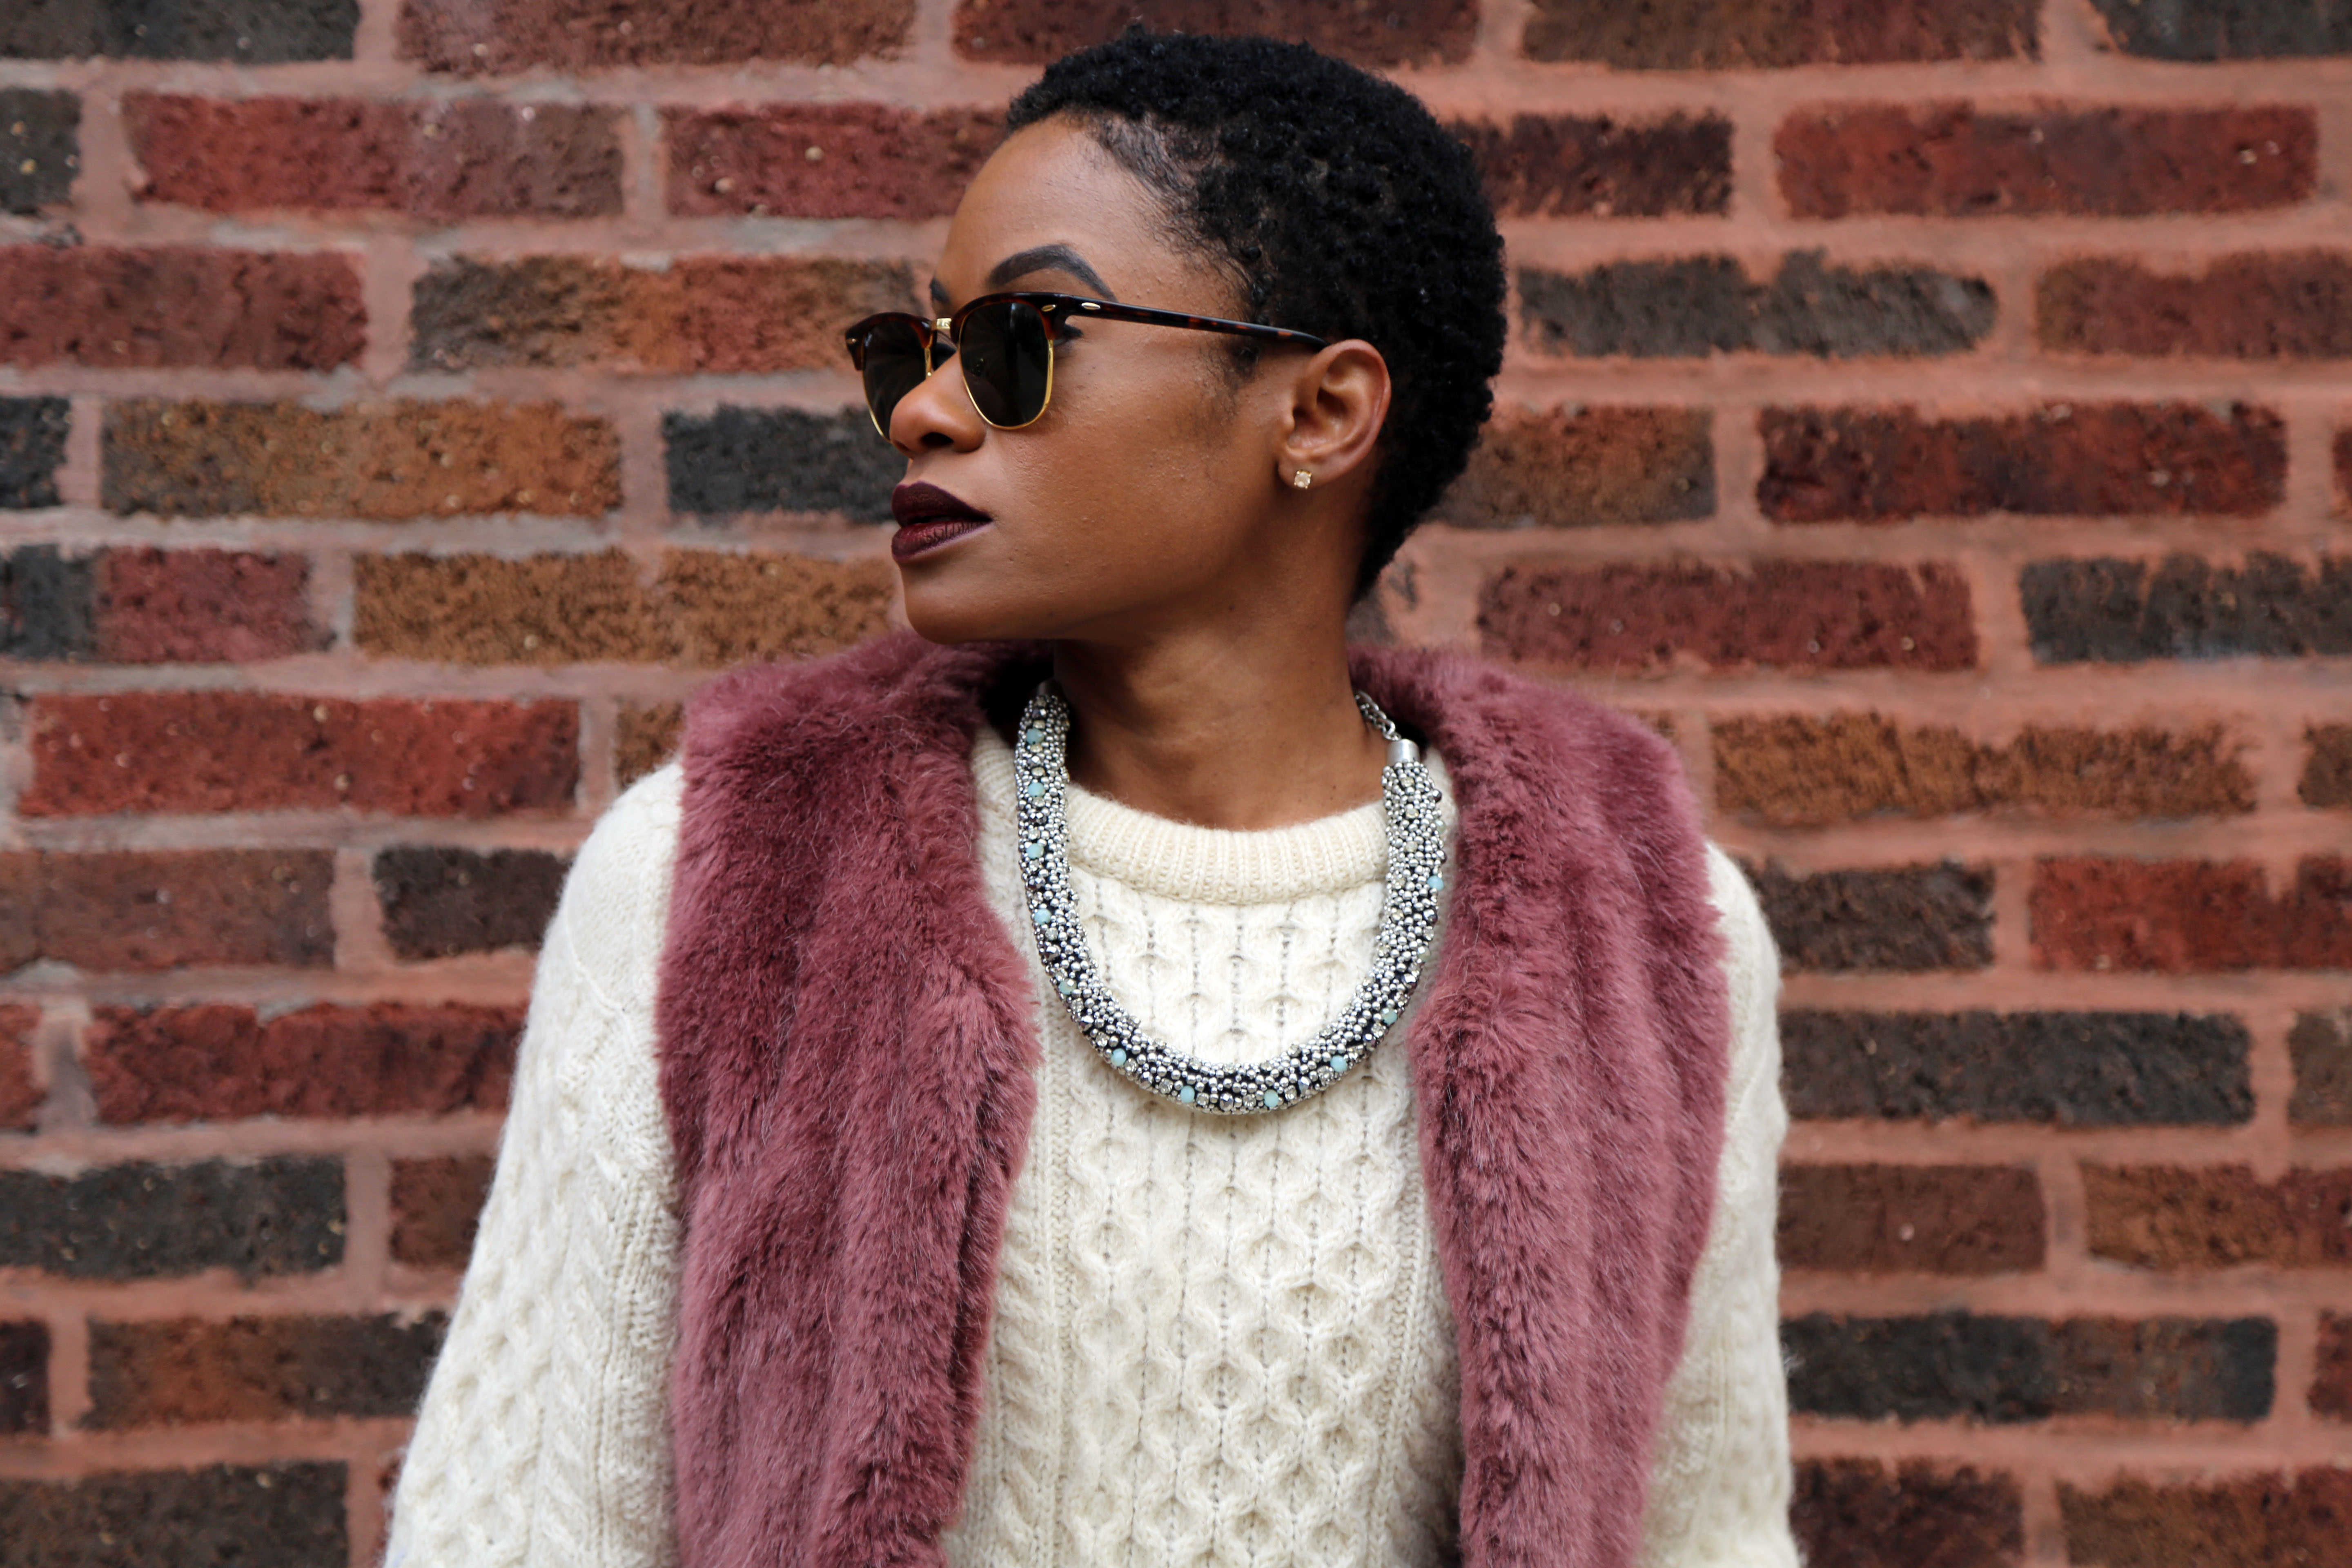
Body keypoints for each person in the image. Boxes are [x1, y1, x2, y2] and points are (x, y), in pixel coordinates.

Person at [385, 28, 1793, 1568]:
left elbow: (1705, 1538)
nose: (926, 408)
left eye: (1020, 341)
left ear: (1318, 413)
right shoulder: (720, 876)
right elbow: (512, 1532)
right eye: (915, 350)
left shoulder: (1646, 933)